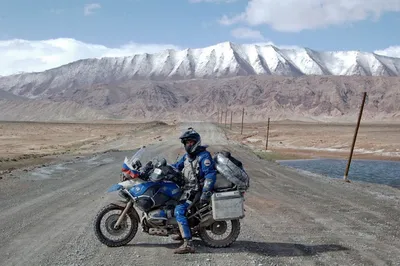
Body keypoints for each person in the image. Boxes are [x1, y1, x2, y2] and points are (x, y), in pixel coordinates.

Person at [170, 127, 217, 254]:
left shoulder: (204, 156)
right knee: (169, 202)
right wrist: (162, 168)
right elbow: (176, 167)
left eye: (190, 142)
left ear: (196, 142)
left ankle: (188, 243)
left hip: (195, 191)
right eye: (186, 143)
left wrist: (206, 193)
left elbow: (210, 175)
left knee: (179, 211)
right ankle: (180, 230)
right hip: (186, 188)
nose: (188, 145)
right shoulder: (186, 157)